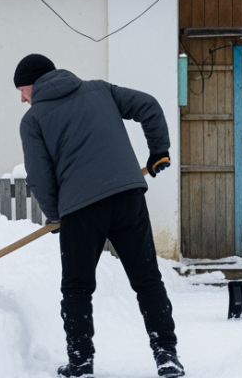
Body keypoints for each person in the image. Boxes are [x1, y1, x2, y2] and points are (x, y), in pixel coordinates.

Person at [15, 53, 184, 378]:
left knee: (76, 288)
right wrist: (158, 150)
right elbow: (148, 105)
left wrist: (54, 215)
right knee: (148, 281)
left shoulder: (33, 119)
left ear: (34, 84)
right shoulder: (99, 90)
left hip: (80, 210)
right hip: (127, 197)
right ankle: (167, 357)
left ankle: (80, 362)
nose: (22, 98)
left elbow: (39, 175)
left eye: (22, 89)